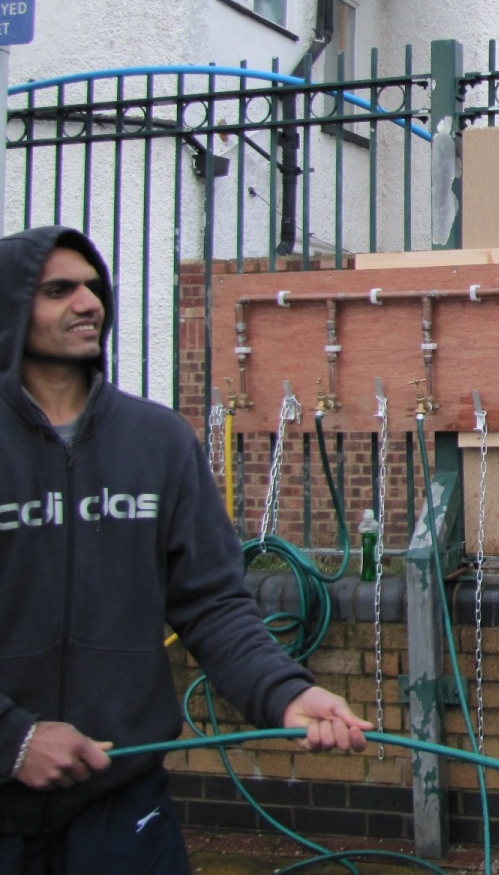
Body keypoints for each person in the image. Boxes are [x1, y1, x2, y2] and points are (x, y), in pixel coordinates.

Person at [0, 226, 372, 872]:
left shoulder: (158, 442)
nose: (88, 302)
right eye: (58, 290)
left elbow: (213, 604)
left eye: (93, 287)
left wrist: (283, 691)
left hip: (123, 809)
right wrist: (14, 739)